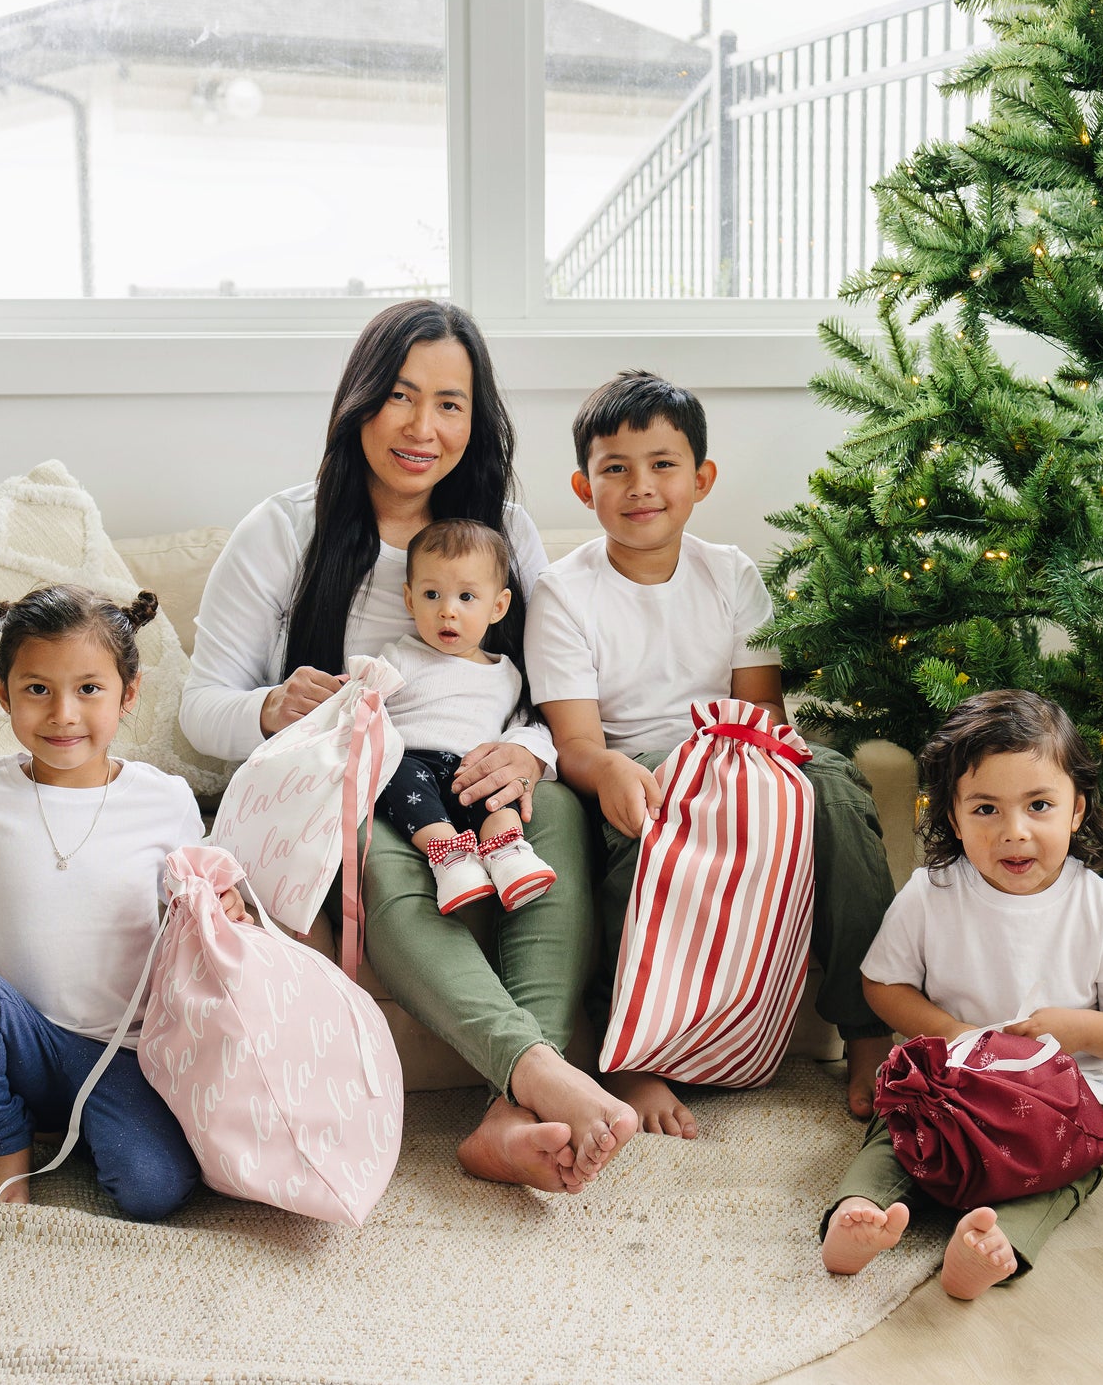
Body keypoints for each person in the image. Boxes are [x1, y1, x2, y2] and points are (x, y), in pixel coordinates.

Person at [180, 298, 637, 1194]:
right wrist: (273, 705)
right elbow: (199, 709)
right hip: (353, 783)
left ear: (478, 417)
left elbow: (556, 679)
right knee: (386, 867)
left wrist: (534, 752)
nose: (423, 427)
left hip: (482, 767)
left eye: (451, 403)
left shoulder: (503, 527)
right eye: (399, 395)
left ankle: (511, 1118)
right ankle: (538, 1072)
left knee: (554, 824)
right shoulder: (281, 530)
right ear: (359, 400)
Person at [525, 369, 897, 1137]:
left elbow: (763, 707)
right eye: (614, 469)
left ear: (700, 478)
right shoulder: (561, 593)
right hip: (635, 769)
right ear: (582, 485)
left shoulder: (730, 572)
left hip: (738, 750)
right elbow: (577, 745)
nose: (640, 486)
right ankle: (634, 1053)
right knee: (642, 834)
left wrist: (739, 771)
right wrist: (622, 774)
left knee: (831, 791)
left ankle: (867, 1029)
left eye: (662, 464)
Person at [0, 585, 245, 1218]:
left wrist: (221, 909)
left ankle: (91, 1126)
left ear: (127, 694)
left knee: (153, 1193)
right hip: (22, 1037)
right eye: (37, 690)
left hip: (125, 1054)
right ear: (4, 693)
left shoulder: (164, 800)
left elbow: (197, 894)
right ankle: (6, 1150)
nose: (62, 714)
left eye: (89, 689)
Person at [820, 689, 1103, 1299]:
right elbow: (882, 983)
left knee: (1073, 1170)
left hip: (1061, 1097)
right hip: (952, 1082)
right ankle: (857, 1215)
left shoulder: (1100, 907)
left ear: (1076, 810)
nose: (1015, 832)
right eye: (985, 809)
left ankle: (994, 1243)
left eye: (1039, 805)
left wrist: (1076, 1028)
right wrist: (950, 1033)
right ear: (952, 817)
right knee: (894, 1138)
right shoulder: (932, 894)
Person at [375, 518, 556, 915]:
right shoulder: (399, 655)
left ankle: (508, 855)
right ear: (409, 600)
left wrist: (520, 754)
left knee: (496, 793)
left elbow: (523, 730)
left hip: (471, 769)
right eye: (432, 594)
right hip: (411, 762)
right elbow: (362, 706)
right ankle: (452, 860)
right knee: (393, 773)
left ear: (498, 606)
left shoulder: (507, 673)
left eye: (466, 597)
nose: (447, 612)